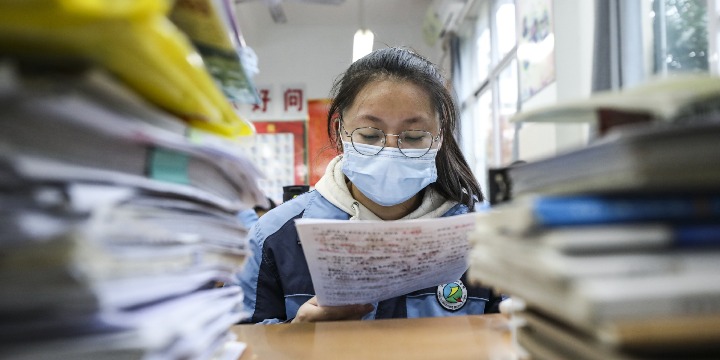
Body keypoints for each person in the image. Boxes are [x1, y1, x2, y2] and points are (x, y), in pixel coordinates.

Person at [239, 47, 503, 324]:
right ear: (341, 130)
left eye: (413, 137)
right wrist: (295, 340)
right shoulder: (274, 237)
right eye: (369, 134)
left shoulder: (483, 237)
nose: (390, 151)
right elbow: (236, 341)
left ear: (439, 135)